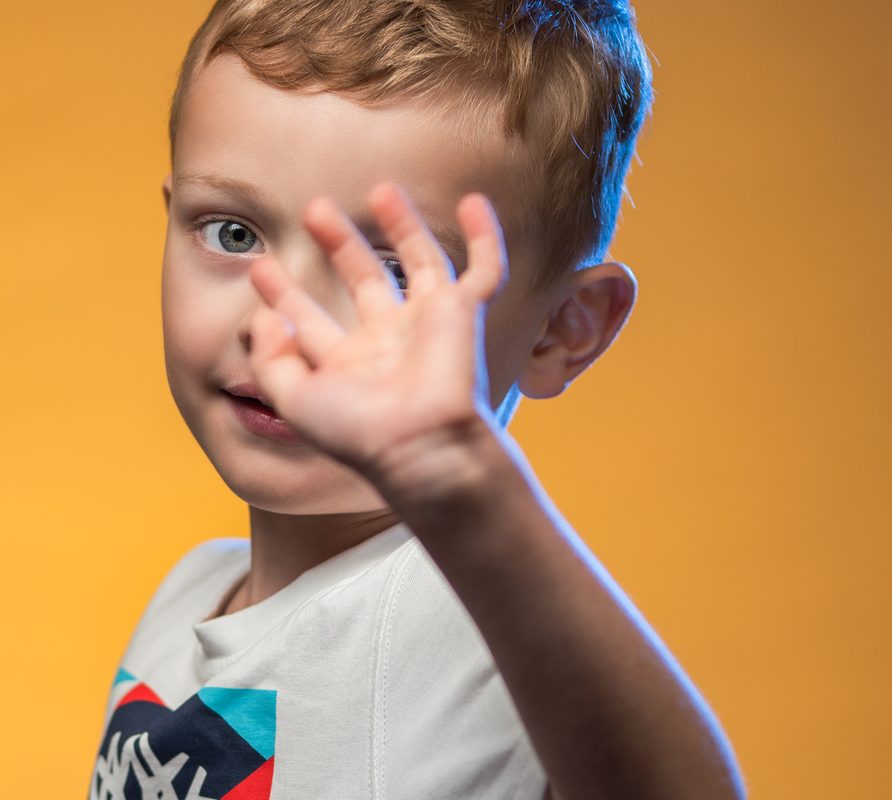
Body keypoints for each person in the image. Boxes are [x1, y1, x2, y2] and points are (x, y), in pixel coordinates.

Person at [90, 1, 745, 798]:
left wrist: (472, 491)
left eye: (394, 272)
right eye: (233, 233)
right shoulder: (189, 594)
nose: (281, 329)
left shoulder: (470, 615)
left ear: (560, 331)